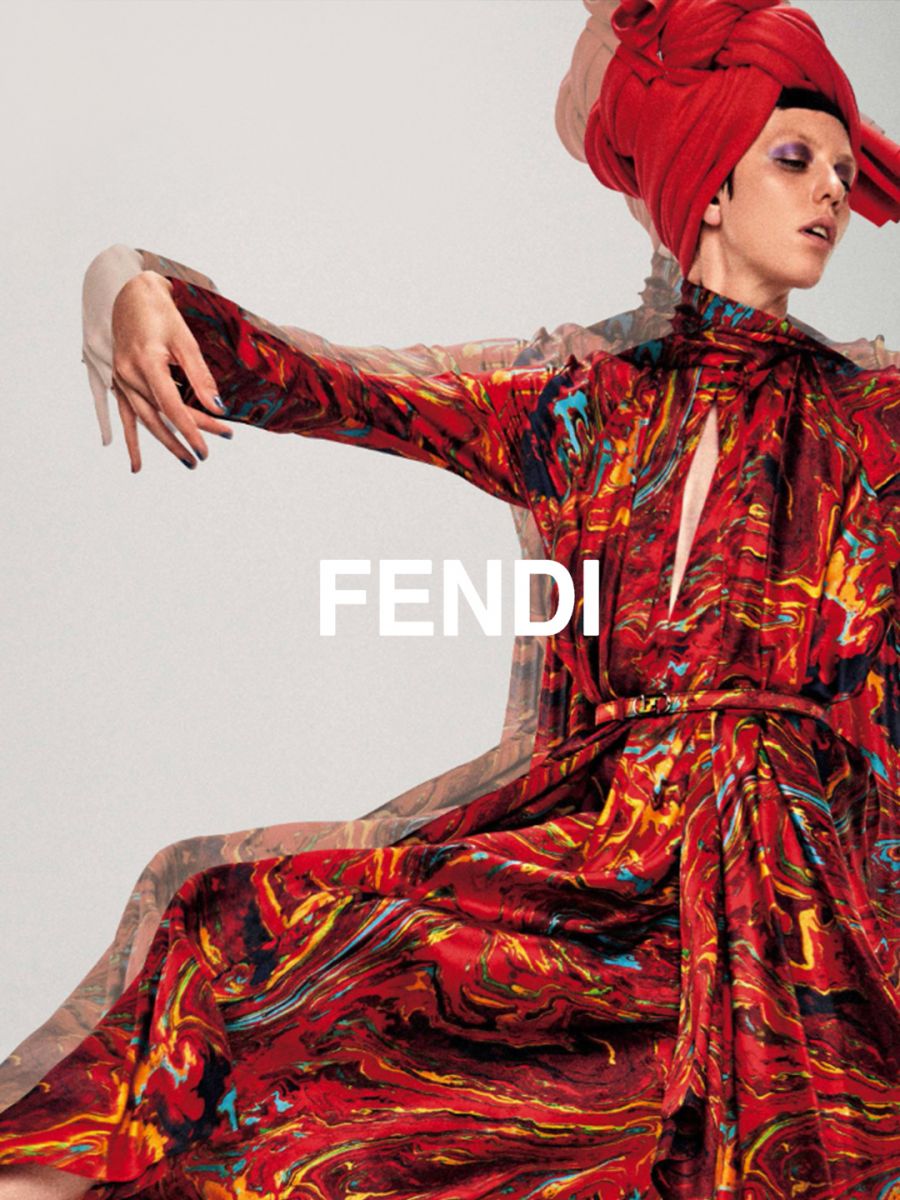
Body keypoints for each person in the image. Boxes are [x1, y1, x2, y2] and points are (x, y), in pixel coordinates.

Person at [1, 0, 900, 1195]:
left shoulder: (876, 415)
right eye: (795, 158)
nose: (832, 190)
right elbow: (337, 386)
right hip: (599, 880)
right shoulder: (579, 398)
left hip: (794, 905)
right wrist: (120, 281)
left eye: (842, 169)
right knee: (227, 931)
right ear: (711, 189)